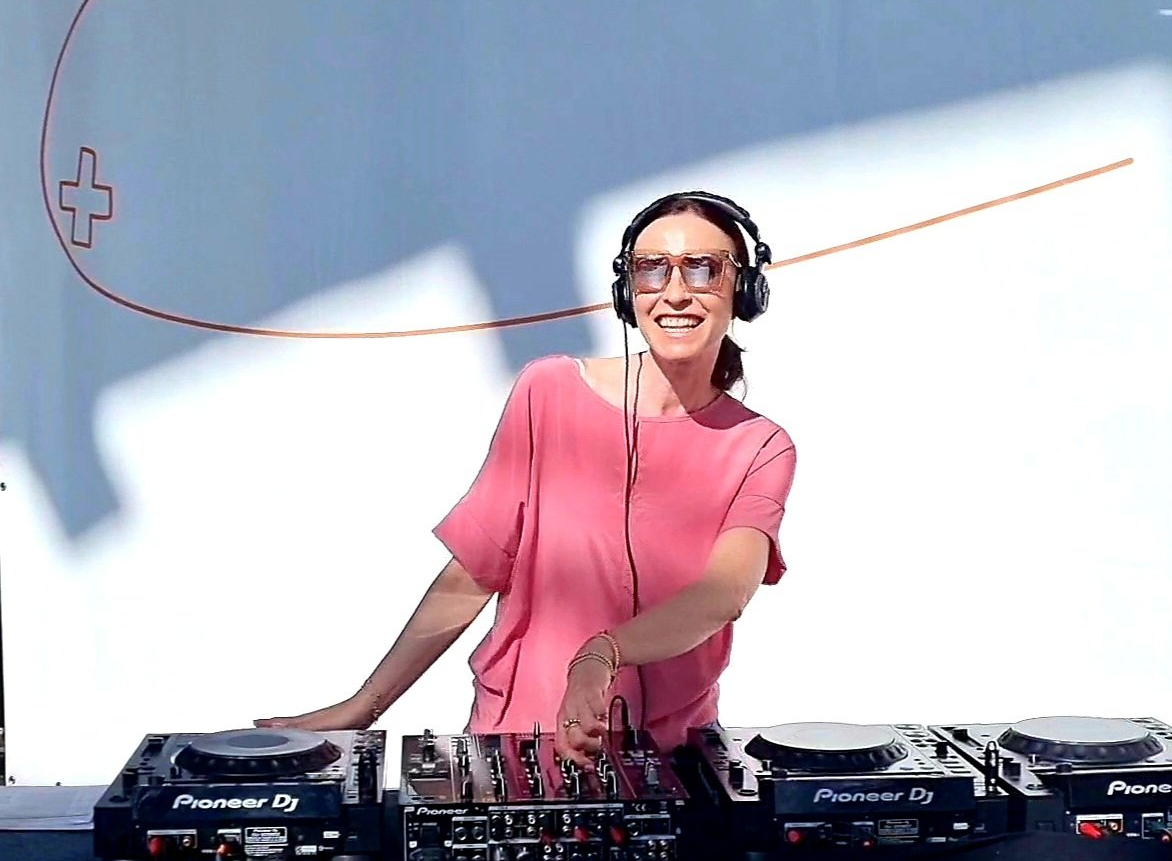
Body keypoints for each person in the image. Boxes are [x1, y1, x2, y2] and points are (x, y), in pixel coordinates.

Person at [255, 191, 796, 769]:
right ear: (628, 292)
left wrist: (602, 653)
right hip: (518, 741)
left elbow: (722, 594)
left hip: (674, 757)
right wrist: (365, 705)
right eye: (651, 269)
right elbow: (471, 575)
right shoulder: (548, 391)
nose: (675, 292)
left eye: (702, 268)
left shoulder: (761, 446)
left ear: (743, 290)